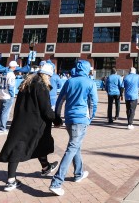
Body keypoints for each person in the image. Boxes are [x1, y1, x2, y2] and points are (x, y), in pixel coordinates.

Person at [0, 63, 59, 192]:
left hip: (21, 121)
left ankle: (13, 179)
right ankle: (14, 180)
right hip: (35, 123)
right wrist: (57, 119)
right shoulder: (41, 86)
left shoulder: (27, 83)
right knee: (37, 142)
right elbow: (46, 109)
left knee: (20, 147)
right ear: (47, 75)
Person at [49, 60, 98, 196]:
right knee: (72, 148)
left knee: (75, 146)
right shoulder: (90, 82)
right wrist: (90, 118)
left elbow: (60, 100)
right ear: (87, 69)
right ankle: (56, 182)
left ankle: (78, 173)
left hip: (69, 118)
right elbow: (94, 103)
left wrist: (57, 117)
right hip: (81, 118)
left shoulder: (69, 81)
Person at [0, 60, 18, 134]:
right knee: (5, 113)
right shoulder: (11, 75)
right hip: (8, 95)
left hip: (2, 94)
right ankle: (2, 129)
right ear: (14, 67)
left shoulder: (3, 74)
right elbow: (11, 86)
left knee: (0, 112)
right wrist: (12, 95)